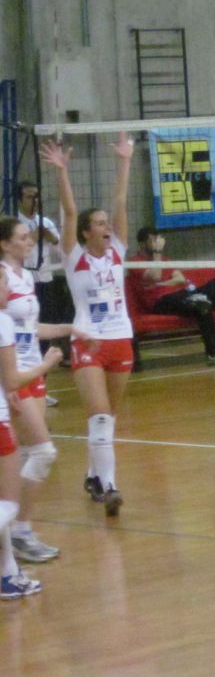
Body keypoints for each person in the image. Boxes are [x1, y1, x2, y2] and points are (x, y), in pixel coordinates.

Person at [40, 132, 136, 517]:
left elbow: (120, 201)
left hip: (121, 339)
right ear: (85, 232)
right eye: (98, 223)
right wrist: (62, 172)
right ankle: (110, 486)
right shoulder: (74, 256)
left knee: (108, 419)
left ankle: (94, 475)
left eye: (106, 222)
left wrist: (125, 160)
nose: (106, 225)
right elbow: (68, 211)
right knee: (98, 416)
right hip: (89, 342)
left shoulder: (118, 251)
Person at [0, 217, 82, 564]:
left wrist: (69, 328)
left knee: (26, 453)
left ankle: (13, 534)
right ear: (5, 243)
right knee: (43, 452)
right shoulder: (2, 277)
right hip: (16, 376)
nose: (30, 241)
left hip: (34, 371)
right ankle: (19, 531)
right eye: (22, 237)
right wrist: (7, 382)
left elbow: (30, 330)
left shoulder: (25, 277)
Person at [0, 266, 64, 598]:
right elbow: (12, 378)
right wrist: (46, 365)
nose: (8, 288)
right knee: (8, 504)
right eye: (2, 282)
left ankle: (8, 574)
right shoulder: (2, 322)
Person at [127, 227, 215, 365]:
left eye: (158, 240)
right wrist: (157, 253)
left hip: (181, 295)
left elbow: (180, 279)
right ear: (142, 244)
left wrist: (159, 284)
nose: (157, 243)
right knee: (203, 305)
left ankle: (199, 298)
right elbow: (156, 275)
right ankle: (214, 353)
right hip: (160, 302)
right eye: (153, 240)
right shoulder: (135, 262)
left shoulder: (165, 260)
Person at [16, 181, 63, 405]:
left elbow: (62, 251)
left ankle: (40, 387)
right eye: (29, 197)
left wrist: (52, 237)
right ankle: (19, 386)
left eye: (36, 196)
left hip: (45, 283)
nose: (34, 201)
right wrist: (34, 235)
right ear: (19, 199)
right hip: (21, 287)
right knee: (22, 336)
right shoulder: (15, 225)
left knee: (44, 338)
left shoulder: (46, 222)